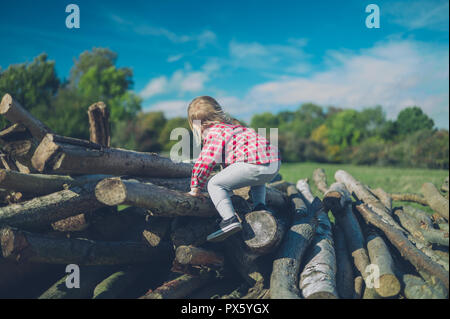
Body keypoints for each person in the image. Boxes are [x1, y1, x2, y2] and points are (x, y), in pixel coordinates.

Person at [187, 96, 281, 242]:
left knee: (214, 183)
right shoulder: (236, 129)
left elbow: (205, 161)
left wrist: (196, 187)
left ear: (196, 125)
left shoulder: (213, 132)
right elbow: (235, 165)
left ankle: (229, 220)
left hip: (254, 163)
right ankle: (260, 207)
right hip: (274, 162)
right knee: (257, 178)